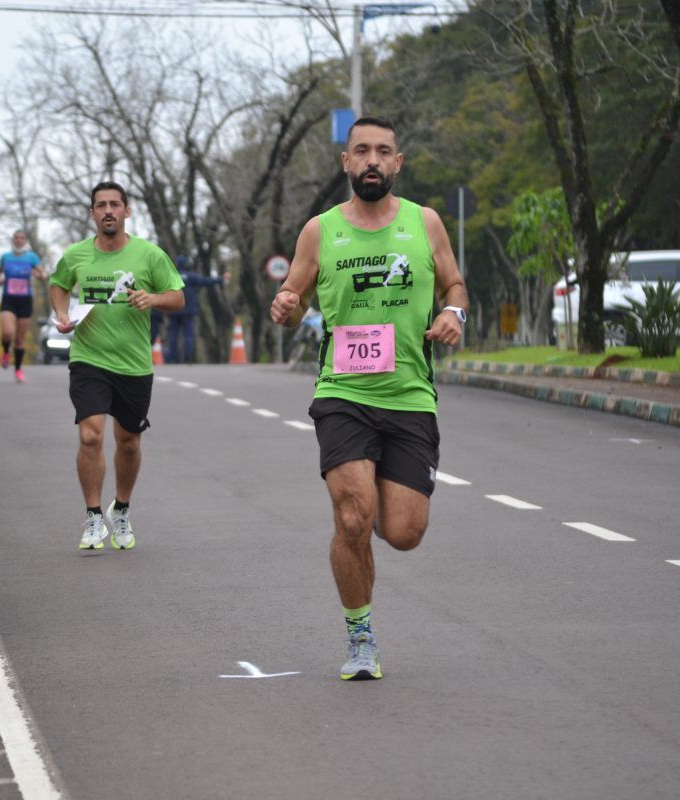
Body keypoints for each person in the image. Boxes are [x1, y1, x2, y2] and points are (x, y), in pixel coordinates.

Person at [270, 117, 468, 681]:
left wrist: (453, 312)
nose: (372, 160)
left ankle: (376, 514)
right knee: (353, 517)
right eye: (362, 151)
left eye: (383, 151)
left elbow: (454, 283)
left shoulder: (424, 223)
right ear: (346, 163)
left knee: (402, 532)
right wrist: (283, 304)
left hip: (409, 394)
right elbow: (292, 293)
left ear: (398, 163)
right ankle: (360, 638)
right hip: (343, 392)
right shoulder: (320, 231)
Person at [49, 181, 185, 552]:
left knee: (128, 442)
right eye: (100, 205)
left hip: (134, 364)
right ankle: (93, 516)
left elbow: (177, 297)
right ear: (92, 214)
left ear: (127, 211)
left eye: (115, 204)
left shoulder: (149, 255)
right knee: (90, 434)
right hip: (89, 359)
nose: (108, 211)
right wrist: (62, 313)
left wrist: (152, 298)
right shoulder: (76, 255)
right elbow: (58, 284)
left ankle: (120, 508)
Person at [0, 229, 45, 382]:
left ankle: (17, 370)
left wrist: (40, 274)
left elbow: (43, 273)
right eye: (16, 238)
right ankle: (5, 352)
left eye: (21, 238)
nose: (19, 240)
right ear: (12, 240)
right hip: (8, 299)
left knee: (19, 339)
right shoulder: (5, 257)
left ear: (25, 241)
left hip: (25, 300)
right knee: (7, 332)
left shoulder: (31, 257)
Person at [165, 255, 228, 364]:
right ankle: (187, 358)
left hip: (173, 310)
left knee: (173, 336)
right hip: (188, 311)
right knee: (188, 335)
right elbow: (206, 281)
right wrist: (221, 279)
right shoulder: (191, 276)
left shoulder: (171, 276)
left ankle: (173, 359)